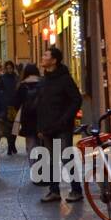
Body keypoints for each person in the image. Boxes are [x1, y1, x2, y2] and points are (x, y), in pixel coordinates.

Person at [37, 46, 83, 203]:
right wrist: (41, 127)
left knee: (66, 157)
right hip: (48, 127)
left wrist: (66, 118)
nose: (42, 57)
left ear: (54, 60)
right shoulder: (44, 80)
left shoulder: (64, 79)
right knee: (50, 159)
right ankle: (54, 190)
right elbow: (42, 104)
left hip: (62, 126)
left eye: (45, 55)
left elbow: (76, 99)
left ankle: (76, 190)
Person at [13, 62, 42, 180]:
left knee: (31, 146)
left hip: (27, 119)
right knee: (42, 144)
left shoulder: (22, 86)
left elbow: (15, 104)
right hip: (42, 118)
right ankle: (42, 168)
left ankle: (34, 170)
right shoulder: (43, 83)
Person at [0, 60, 20, 155]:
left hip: (15, 105)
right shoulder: (2, 78)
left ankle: (12, 144)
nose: (9, 70)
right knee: (8, 127)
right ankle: (10, 146)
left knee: (15, 126)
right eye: (8, 68)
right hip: (6, 105)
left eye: (11, 68)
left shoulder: (16, 78)